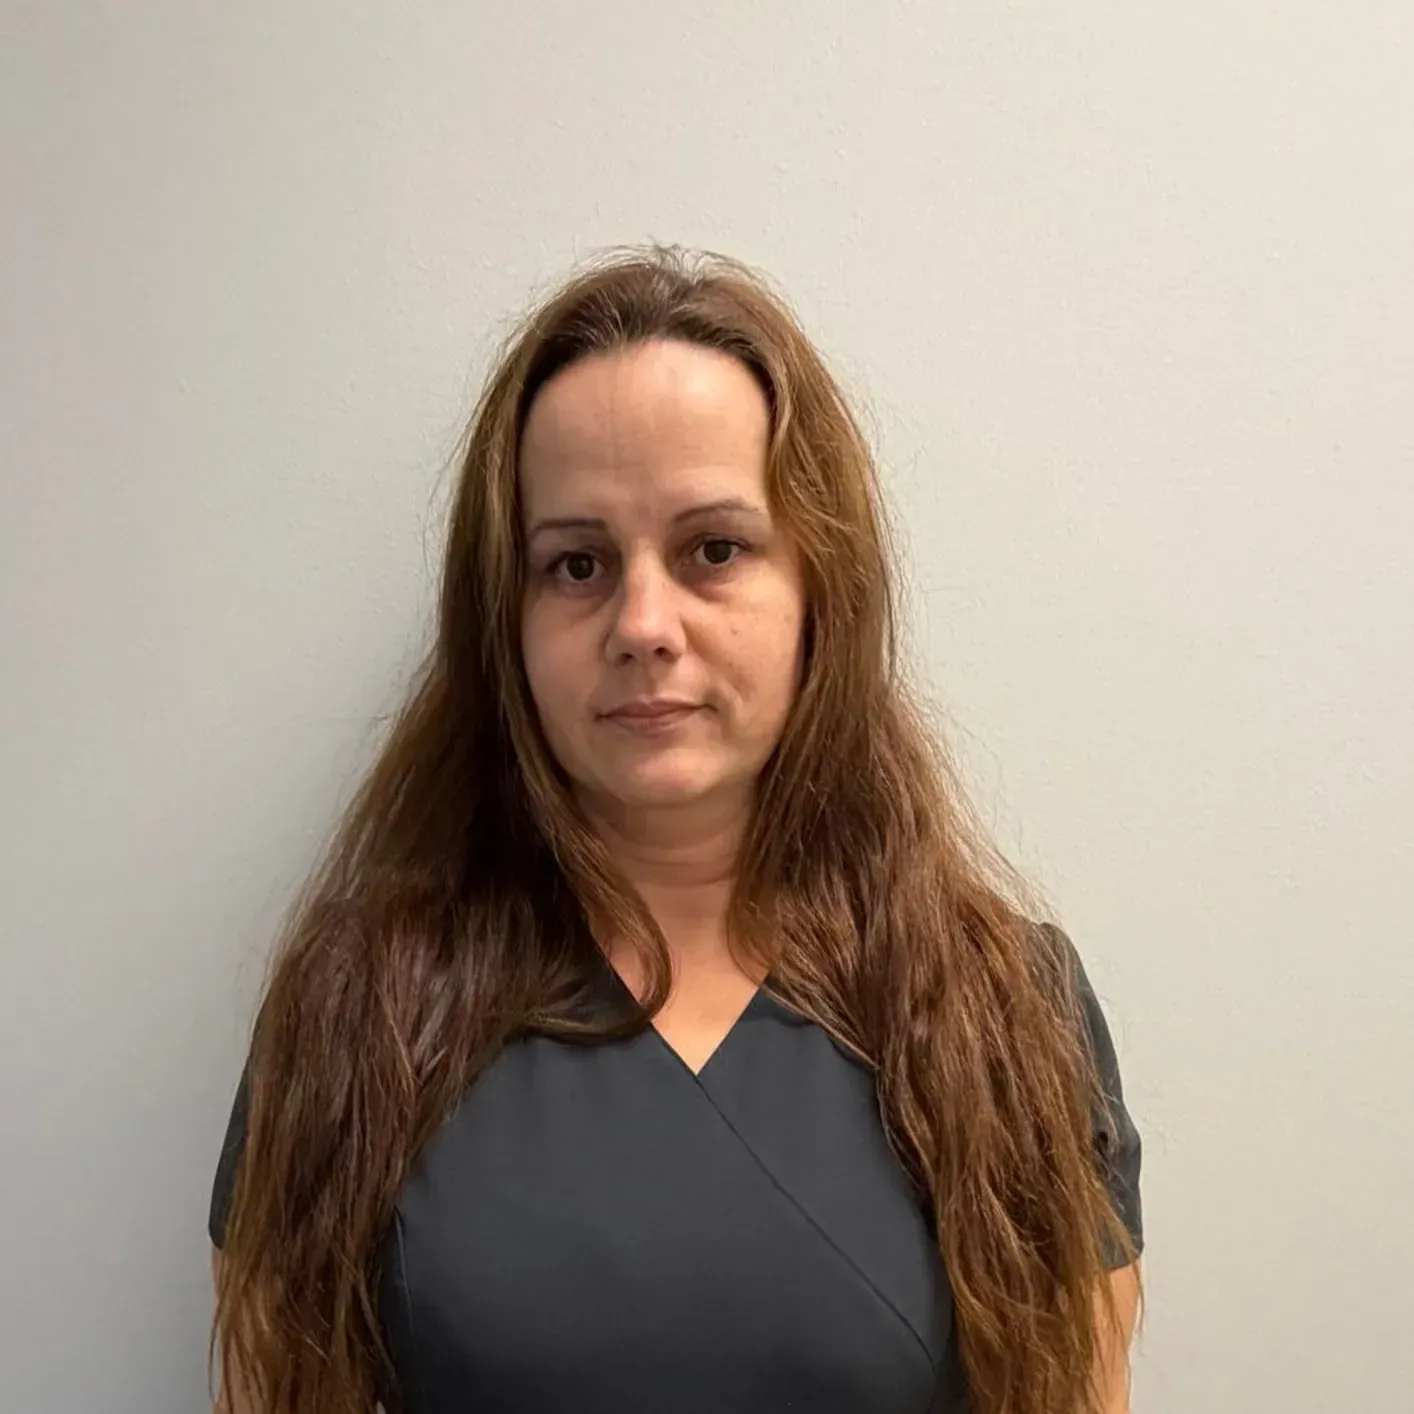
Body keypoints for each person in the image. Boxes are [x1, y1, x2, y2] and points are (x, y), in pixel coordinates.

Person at [208, 245, 1144, 1414]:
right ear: (505, 621)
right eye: (577, 564)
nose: (643, 623)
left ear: (821, 593)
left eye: (714, 549)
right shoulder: (359, 1013)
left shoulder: (1004, 1015)